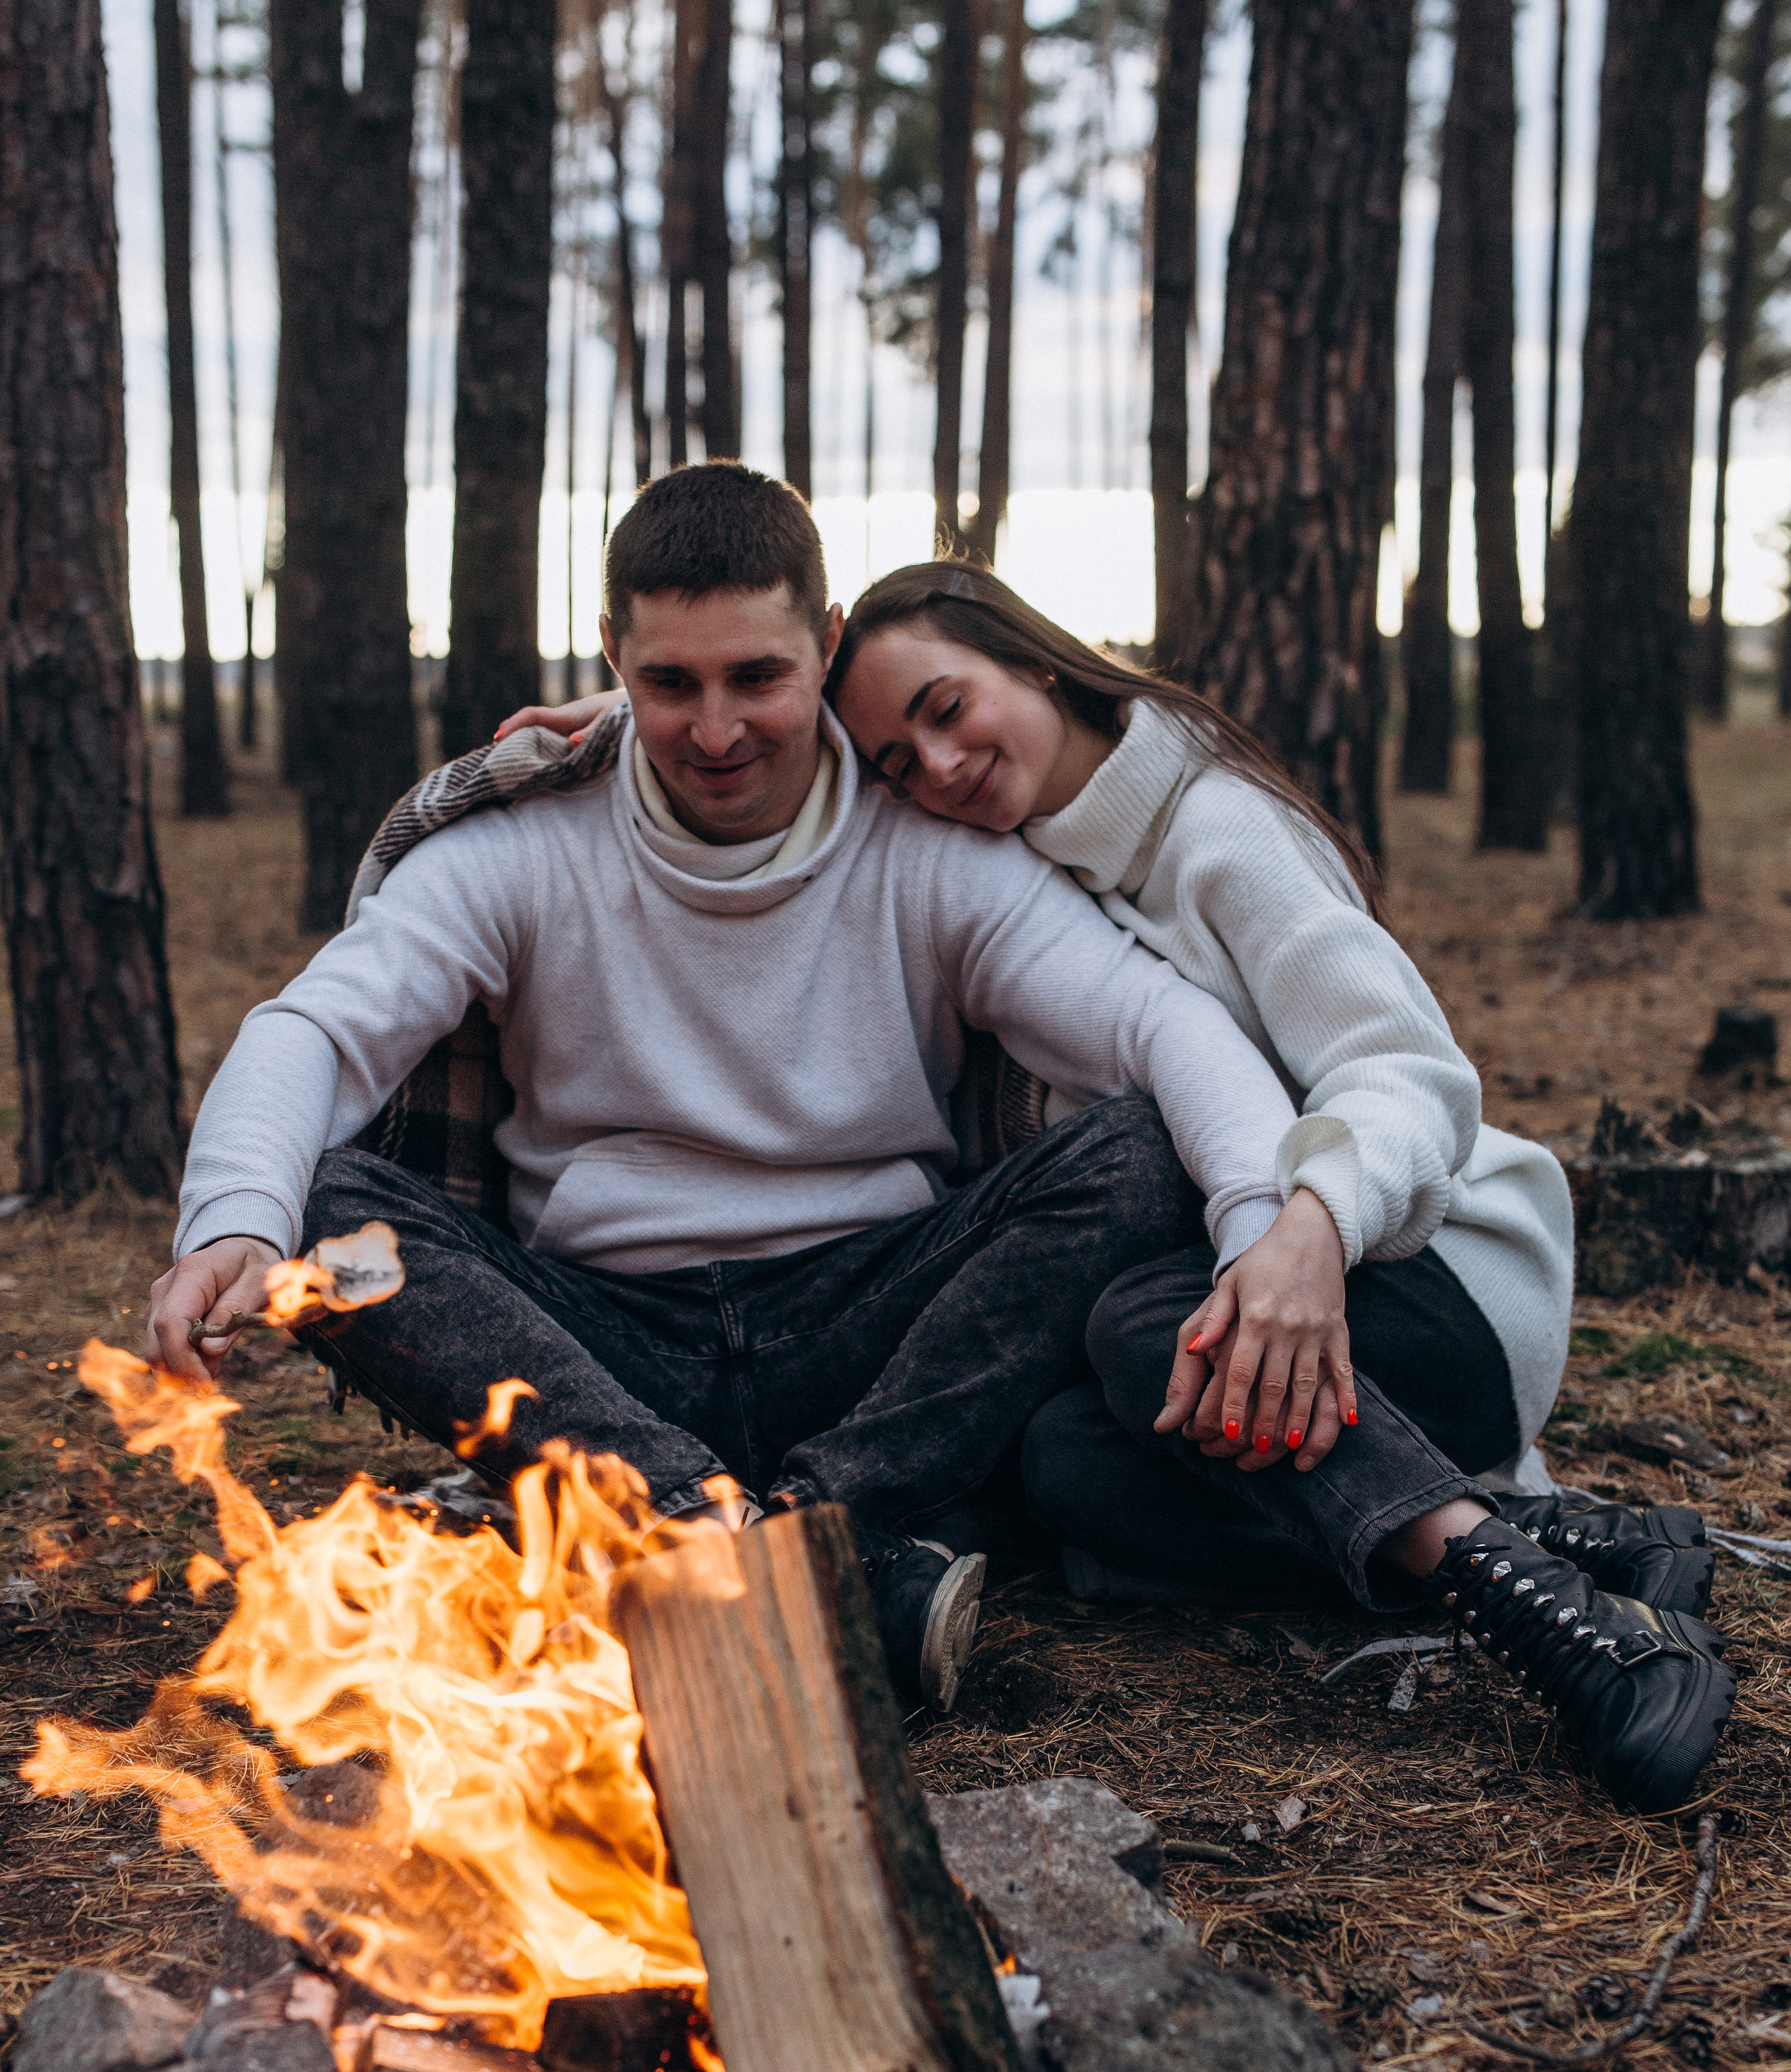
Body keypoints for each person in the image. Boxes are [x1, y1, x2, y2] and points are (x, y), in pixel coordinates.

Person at [509, 552, 1734, 1812]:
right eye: (892, 758)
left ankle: (1559, 1619)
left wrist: (1309, 1231)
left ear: (1035, 658)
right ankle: (1574, 1538)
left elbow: (1409, 1075)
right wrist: (619, 734)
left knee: (1148, 1324)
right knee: (1058, 1470)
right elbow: (779, 739)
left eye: (945, 708)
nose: (930, 767)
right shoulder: (1022, 840)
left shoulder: (1217, 831)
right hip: (1245, 1311)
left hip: (1428, 1277)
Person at [146, 465, 1349, 1716]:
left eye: (756, 678)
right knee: (334, 1202)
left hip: (877, 1330)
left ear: (825, 649)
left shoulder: (934, 853)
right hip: (599, 1342)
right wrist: (232, 1221)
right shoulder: (517, 846)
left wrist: (1269, 1233)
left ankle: (797, 1525)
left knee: (1145, 1152)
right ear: (613, 655)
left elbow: (1158, 1022)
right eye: (669, 683)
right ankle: (732, 1541)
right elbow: (317, 1031)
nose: (715, 731)